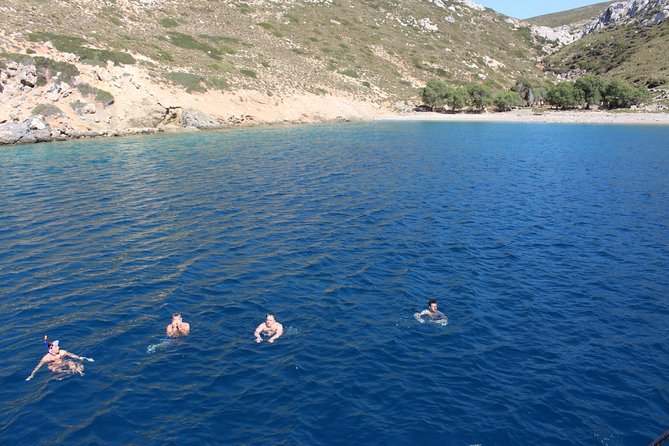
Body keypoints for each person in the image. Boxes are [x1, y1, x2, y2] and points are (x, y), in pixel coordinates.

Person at [26, 337, 94, 381]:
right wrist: (31, 375)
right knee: (52, 368)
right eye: (56, 347)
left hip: (63, 362)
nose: (58, 347)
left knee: (70, 361)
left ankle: (76, 371)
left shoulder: (62, 352)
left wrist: (85, 358)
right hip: (54, 366)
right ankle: (68, 372)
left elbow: (72, 355)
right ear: (50, 349)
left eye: (57, 346)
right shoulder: (46, 358)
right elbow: (38, 366)